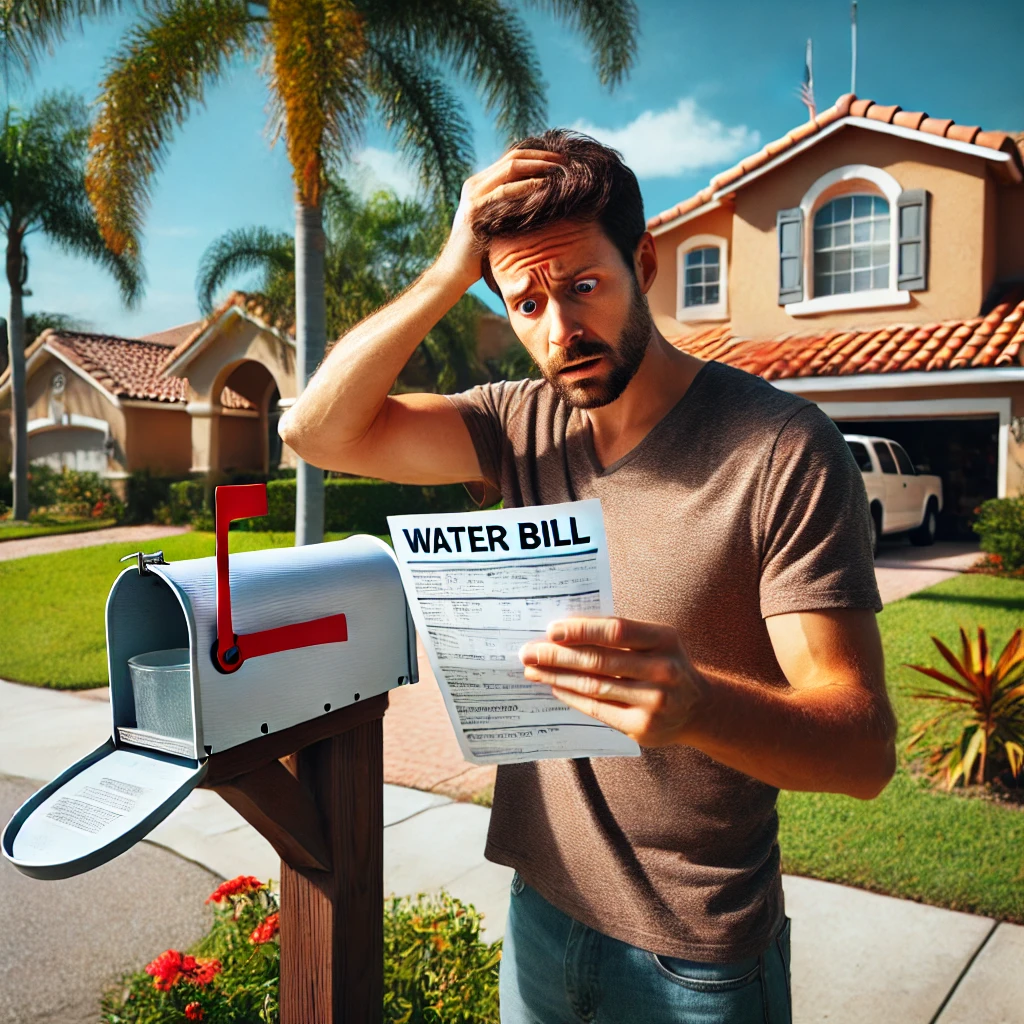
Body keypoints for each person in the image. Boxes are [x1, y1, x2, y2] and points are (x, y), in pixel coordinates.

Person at [279, 130, 897, 1024]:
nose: (559, 330)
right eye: (526, 303)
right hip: (542, 913)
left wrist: (699, 706)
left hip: (698, 961)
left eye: (582, 287)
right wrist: (456, 267)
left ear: (643, 262)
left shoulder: (780, 449)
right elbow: (317, 434)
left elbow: (863, 748)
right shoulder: (515, 425)